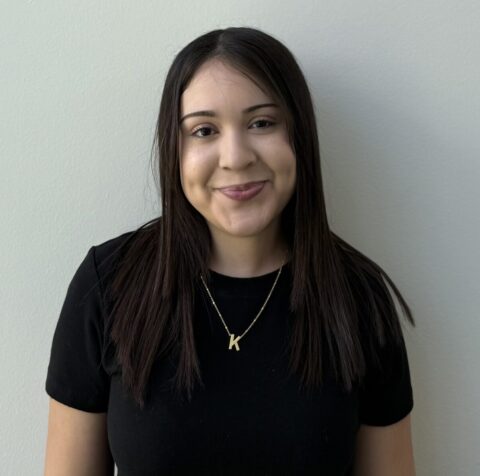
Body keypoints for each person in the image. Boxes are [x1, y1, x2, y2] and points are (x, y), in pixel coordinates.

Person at [44, 27, 416, 475]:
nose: (235, 157)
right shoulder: (107, 284)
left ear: (298, 135)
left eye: (262, 123)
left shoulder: (358, 297)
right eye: (204, 130)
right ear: (175, 149)